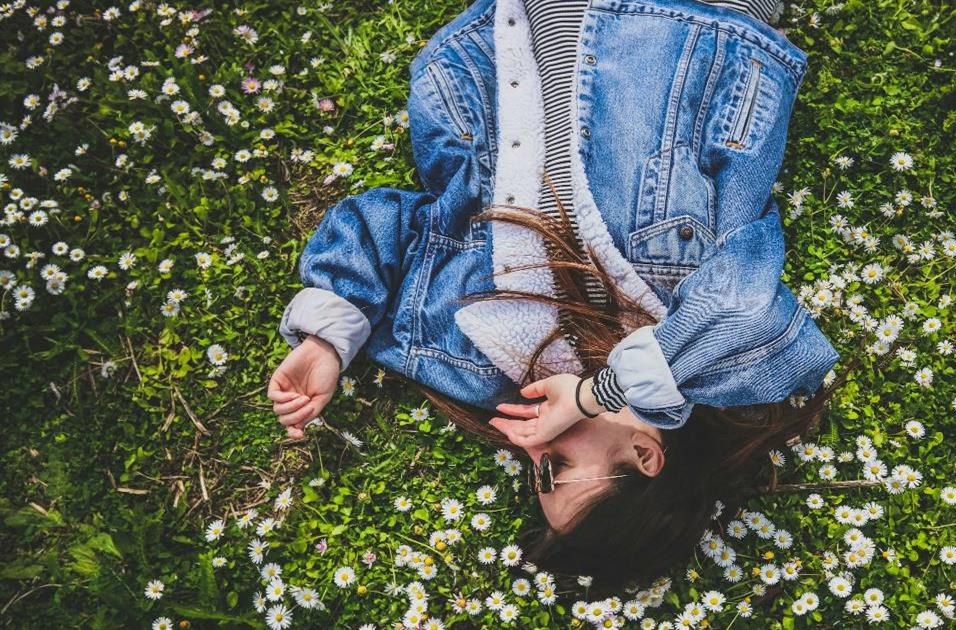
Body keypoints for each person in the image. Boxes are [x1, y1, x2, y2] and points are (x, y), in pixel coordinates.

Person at [268, 0, 845, 595]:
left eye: (534, 475)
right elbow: (749, 309)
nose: (533, 449)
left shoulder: (480, 356)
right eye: (556, 469)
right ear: (645, 456)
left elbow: (386, 226)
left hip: (510, 33)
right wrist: (598, 395)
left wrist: (327, 340)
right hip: (686, 22)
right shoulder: (721, 362)